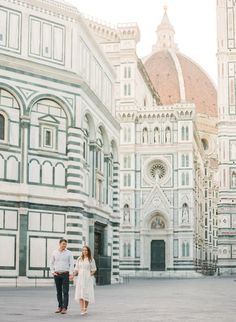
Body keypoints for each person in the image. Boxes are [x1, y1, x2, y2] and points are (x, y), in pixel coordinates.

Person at [50, 239, 74, 314]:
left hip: (65, 274)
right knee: (58, 291)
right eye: (63, 244)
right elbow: (51, 263)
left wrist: (71, 274)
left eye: (65, 244)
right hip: (57, 274)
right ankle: (59, 306)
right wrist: (53, 272)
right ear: (59, 244)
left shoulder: (69, 253)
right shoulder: (54, 252)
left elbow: (72, 264)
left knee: (65, 291)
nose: (64, 245)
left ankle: (64, 308)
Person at [74, 245, 97, 315]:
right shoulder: (79, 259)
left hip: (87, 278)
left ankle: (85, 308)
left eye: (86, 250)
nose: (84, 251)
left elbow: (94, 269)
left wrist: (90, 275)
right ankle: (81, 309)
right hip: (80, 278)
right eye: (83, 250)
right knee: (80, 293)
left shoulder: (91, 259)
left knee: (86, 293)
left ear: (88, 251)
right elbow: (76, 269)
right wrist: (72, 275)